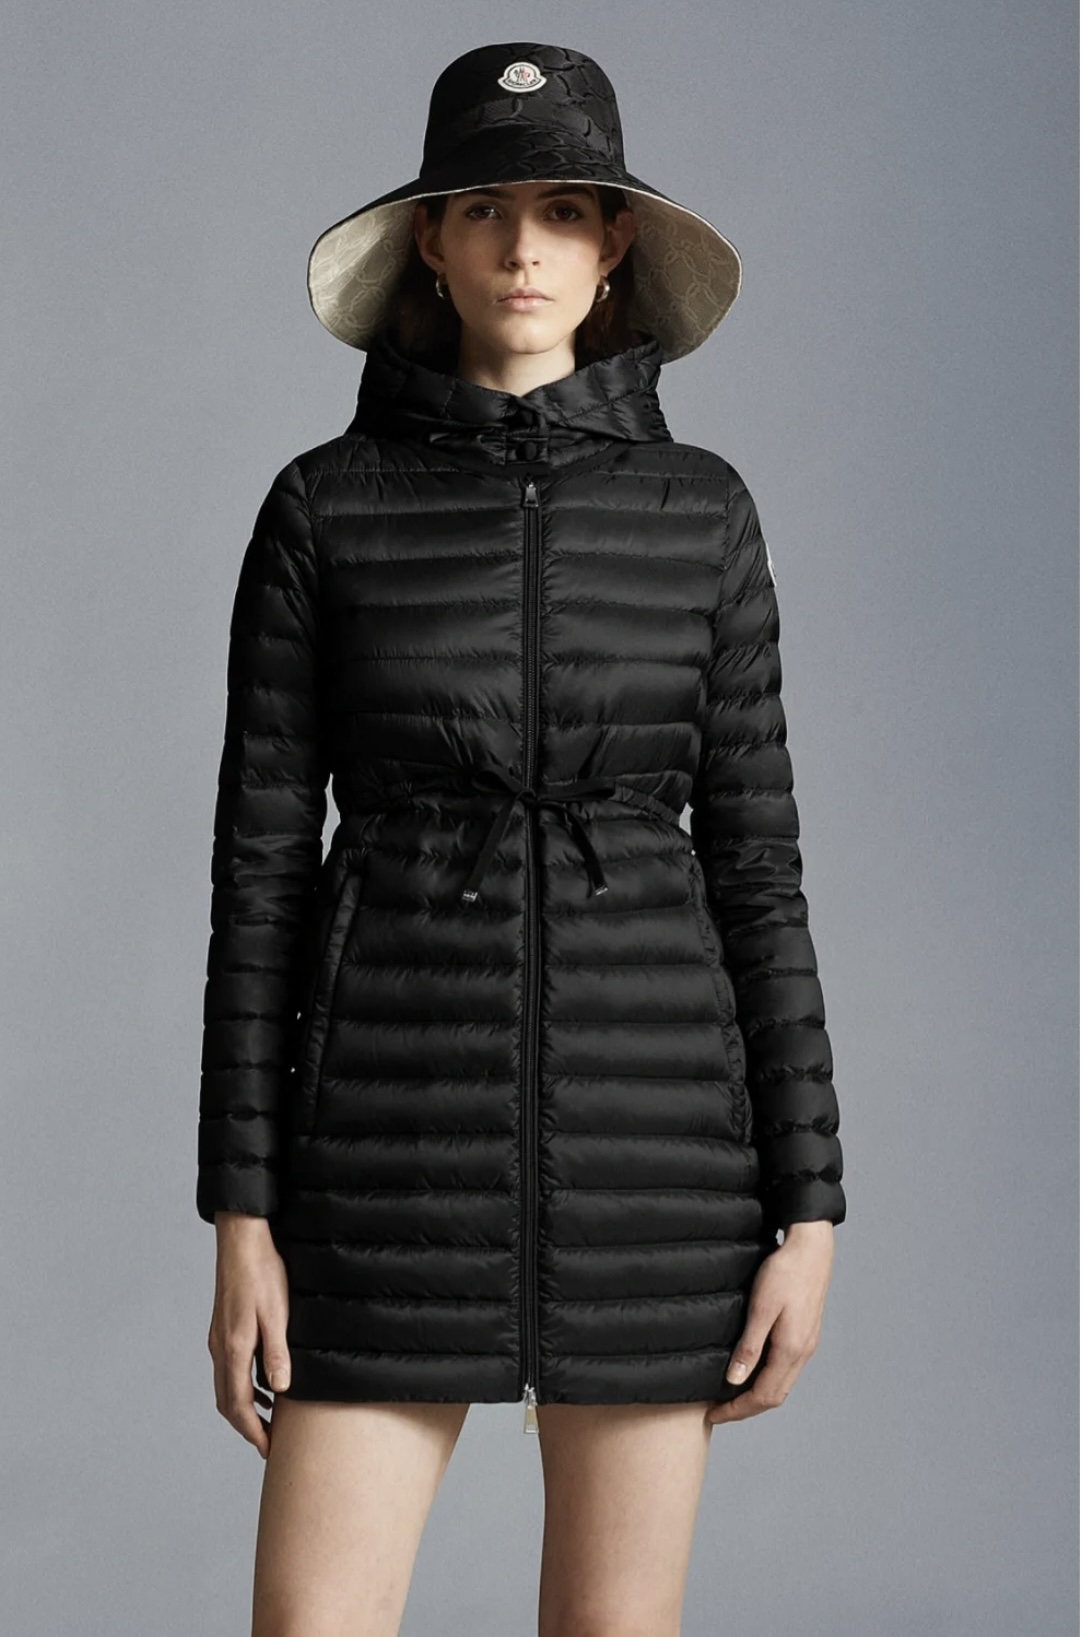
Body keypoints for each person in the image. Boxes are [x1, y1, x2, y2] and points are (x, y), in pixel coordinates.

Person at [197, 41, 846, 1636]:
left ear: (614, 242)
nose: (523, 248)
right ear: (429, 239)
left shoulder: (702, 513)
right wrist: (240, 1215)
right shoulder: (323, 509)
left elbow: (758, 869)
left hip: (656, 1162)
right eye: (484, 209)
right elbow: (260, 877)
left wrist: (811, 1207)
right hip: (381, 1151)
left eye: (562, 210)